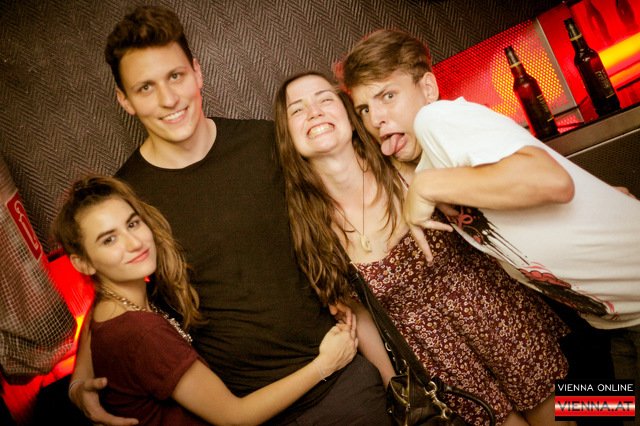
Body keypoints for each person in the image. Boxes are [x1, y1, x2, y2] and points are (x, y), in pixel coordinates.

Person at [68, 5, 390, 426]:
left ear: (197, 73)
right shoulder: (129, 196)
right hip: (244, 407)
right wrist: (80, 377)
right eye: (145, 87)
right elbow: (112, 286)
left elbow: (358, 179)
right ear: (125, 100)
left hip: (341, 382)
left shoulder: (269, 143)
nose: (168, 99)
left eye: (176, 76)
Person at [335, 28, 640, 394]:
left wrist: (426, 186)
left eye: (388, 95)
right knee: (603, 406)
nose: (376, 119)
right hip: (613, 323)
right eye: (365, 109)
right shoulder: (431, 162)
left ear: (428, 88)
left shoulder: (437, 120)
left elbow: (552, 181)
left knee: (592, 407)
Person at [274, 70, 572, 426]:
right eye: (297, 109)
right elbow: (361, 315)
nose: (314, 112)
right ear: (288, 136)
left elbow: (500, 199)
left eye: (325, 99)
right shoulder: (309, 228)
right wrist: (397, 390)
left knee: (583, 411)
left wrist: (582, 207)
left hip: (501, 319)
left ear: (351, 117)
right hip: (441, 364)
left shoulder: (406, 167)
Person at [52, 175, 358, 425]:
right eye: (109, 239)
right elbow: (235, 417)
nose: (134, 243)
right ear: (83, 263)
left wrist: (78, 381)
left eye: (132, 224)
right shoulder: (142, 334)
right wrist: (325, 364)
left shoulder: (113, 309)